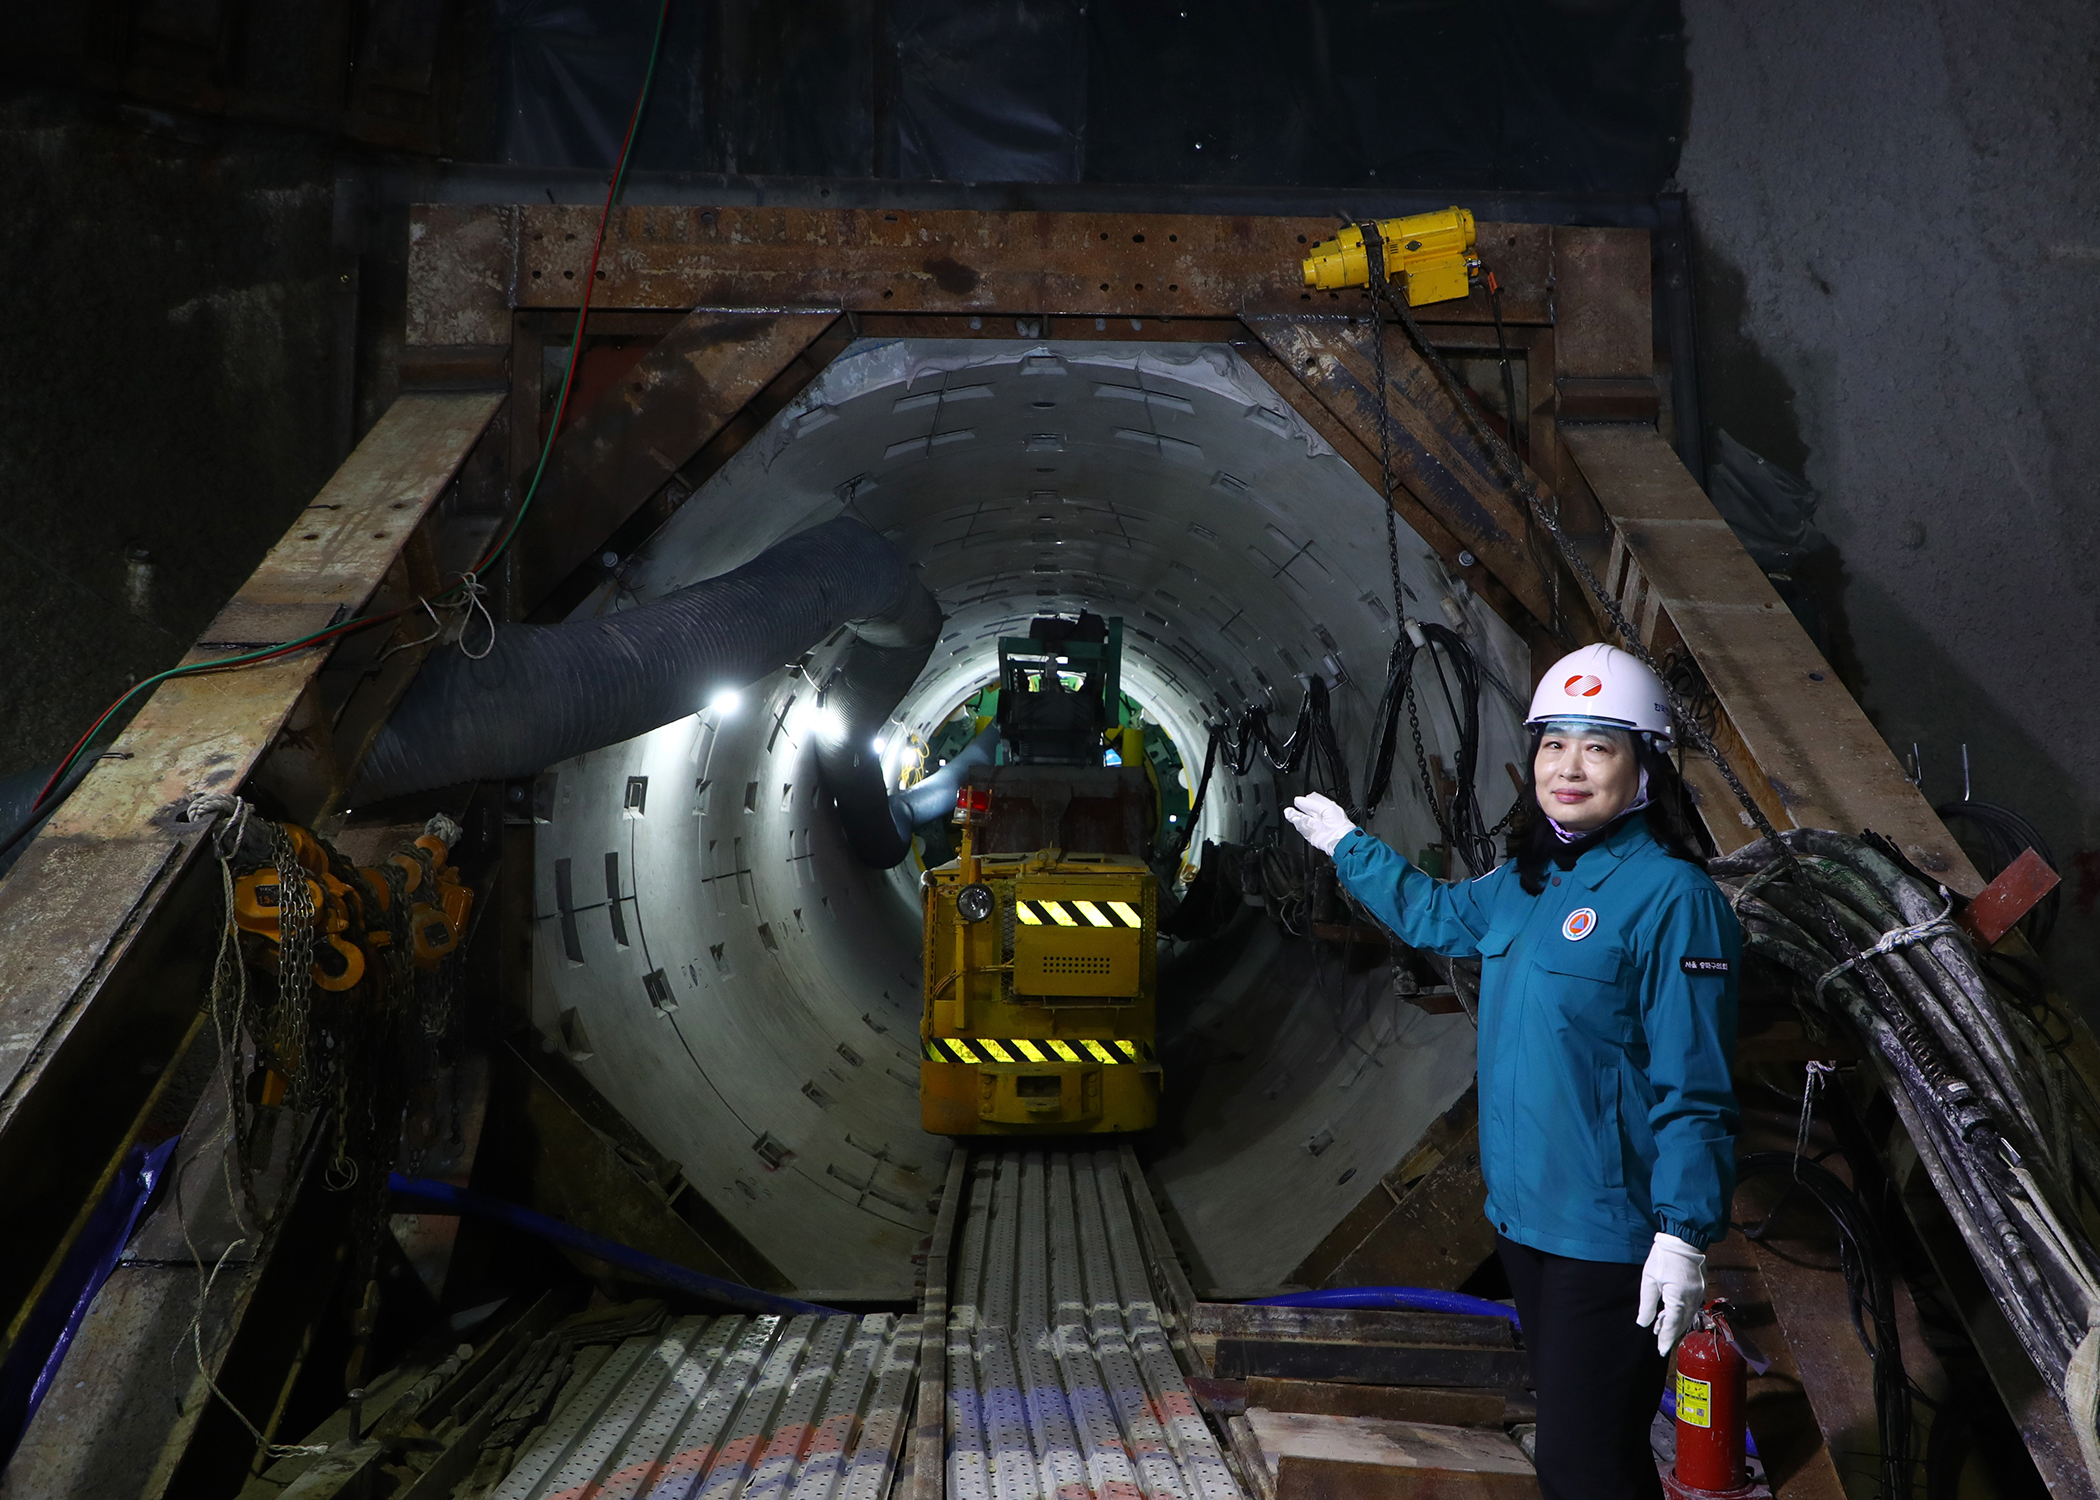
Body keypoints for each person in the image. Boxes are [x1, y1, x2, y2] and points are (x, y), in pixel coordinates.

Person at [1284, 643, 1739, 1500]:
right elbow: (1436, 913)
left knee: (1581, 1464)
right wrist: (1349, 845)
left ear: (1644, 768)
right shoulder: (1528, 880)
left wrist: (1682, 1235)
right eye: (1553, 744)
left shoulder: (1675, 900)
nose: (1568, 768)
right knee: (1595, 1459)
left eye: (1599, 746)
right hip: (1525, 1226)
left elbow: (1696, 1088)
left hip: (1608, 1241)